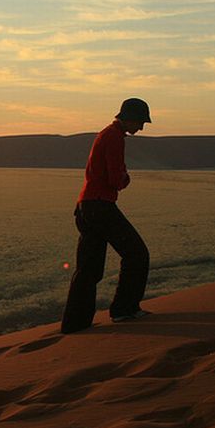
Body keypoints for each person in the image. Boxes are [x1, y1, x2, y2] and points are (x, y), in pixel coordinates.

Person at [61, 98, 152, 334]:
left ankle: (75, 323)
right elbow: (116, 179)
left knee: (88, 268)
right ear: (129, 118)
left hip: (86, 205)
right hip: (100, 205)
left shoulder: (107, 134)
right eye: (140, 122)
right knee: (137, 254)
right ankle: (124, 309)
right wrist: (125, 178)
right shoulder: (114, 137)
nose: (141, 128)